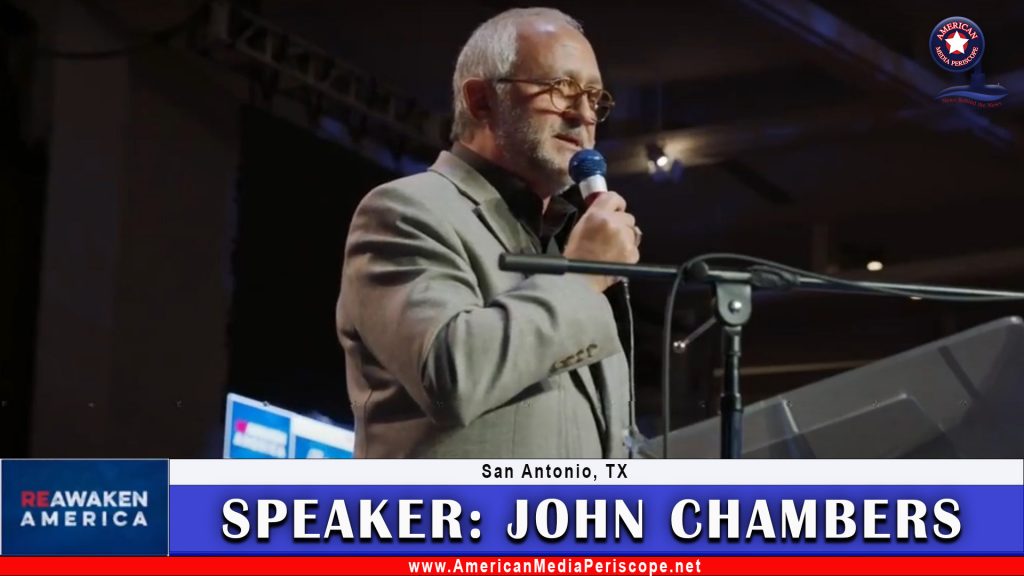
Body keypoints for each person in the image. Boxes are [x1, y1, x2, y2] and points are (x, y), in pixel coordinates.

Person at [336, 7, 641, 458]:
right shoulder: (403, 210)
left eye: (594, 97)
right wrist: (581, 277)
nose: (583, 115)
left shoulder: (564, 246)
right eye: (560, 88)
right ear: (481, 101)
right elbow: (450, 376)